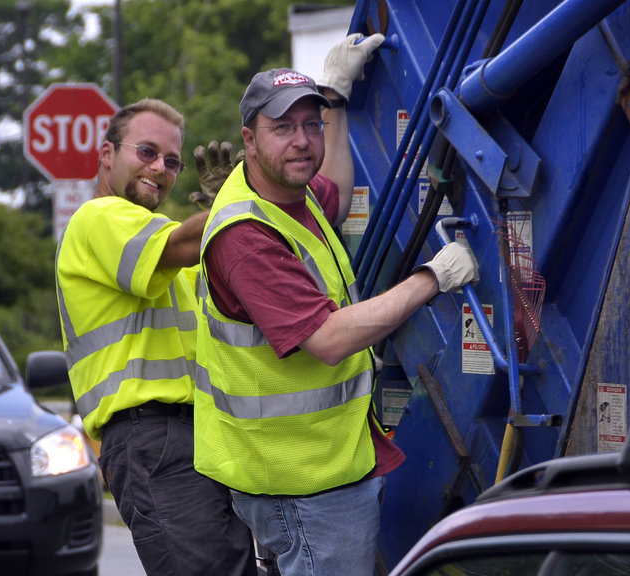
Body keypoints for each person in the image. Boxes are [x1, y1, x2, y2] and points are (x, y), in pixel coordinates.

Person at [193, 37, 479, 576]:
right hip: (298, 478)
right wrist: (432, 278)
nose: (301, 142)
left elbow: (339, 190)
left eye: (311, 125)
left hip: (319, 464)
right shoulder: (246, 234)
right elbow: (327, 339)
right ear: (249, 140)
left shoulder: (290, 198)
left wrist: (337, 97)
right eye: (283, 128)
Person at [55, 98, 256, 576]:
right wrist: (244, 197)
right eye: (145, 152)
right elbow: (182, 244)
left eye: (171, 161)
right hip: (152, 437)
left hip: (193, 436)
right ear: (107, 154)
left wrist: (221, 224)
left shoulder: (164, 248)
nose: (159, 169)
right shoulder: (97, 218)